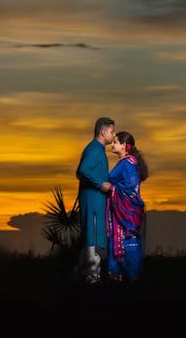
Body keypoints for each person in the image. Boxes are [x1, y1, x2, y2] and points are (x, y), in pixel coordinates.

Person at [75, 116, 116, 285]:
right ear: (103, 132)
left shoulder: (97, 149)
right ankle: (92, 283)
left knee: (93, 244)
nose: (113, 135)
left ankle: (92, 281)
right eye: (112, 131)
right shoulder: (94, 149)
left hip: (96, 204)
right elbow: (82, 170)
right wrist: (100, 184)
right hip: (92, 204)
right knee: (91, 244)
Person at [105, 131, 148, 283]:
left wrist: (111, 188)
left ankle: (130, 279)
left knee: (127, 243)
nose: (112, 144)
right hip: (118, 213)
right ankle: (121, 281)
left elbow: (130, 188)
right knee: (120, 243)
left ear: (124, 145)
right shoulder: (126, 162)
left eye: (115, 142)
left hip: (126, 214)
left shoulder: (128, 163)